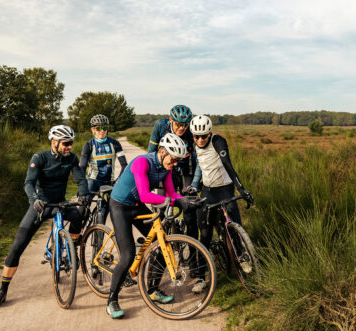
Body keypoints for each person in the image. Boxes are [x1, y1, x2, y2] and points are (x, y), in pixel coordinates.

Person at [0, 125, 90, 307]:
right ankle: (2, 290)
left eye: (71, 143)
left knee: (77, 215)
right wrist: (34, 198)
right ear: (54, 142)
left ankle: (73, 247)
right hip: (40, 205)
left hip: (59, 203)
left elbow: (81, 179)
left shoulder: (72, 158)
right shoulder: (39, 158)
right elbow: (29, 182)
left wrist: (83, 194)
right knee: (17, 246)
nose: (70, 147)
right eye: (66, 143)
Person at [105, 133, 200, 319]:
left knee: (164, 244)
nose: (174, 164)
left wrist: (187, 200)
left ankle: (153, 289)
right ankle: (112, 300)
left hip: (135, 206)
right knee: (128, 254)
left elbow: (172, 193)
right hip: (120, 206)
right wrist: (176, 202)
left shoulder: (166, 167)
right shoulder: (142, 163)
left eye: (177, 162)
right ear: (163, 152)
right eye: (173, 160)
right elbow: (145, 195)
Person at [187, 115, 253, 293]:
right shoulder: (193, 143)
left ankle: (241, 256)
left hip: (225, 188)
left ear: (210, 133)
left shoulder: (218, 141)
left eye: (204, 136)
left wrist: (242, 189)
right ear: (193, 135)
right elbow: (197, 164)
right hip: (208, 191)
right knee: (205, 234)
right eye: (196, 136)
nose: (200, 140)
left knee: (233, 221)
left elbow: (227, 164)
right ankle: (201, 277)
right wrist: (192, 186)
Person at [147, 105, 199, 242]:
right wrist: (150, 178)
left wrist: (196, 183)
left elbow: (198, 158)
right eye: (178, 124)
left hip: (186, 168)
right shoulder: (160, 126)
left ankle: (194, 256)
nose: (182, 128)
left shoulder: (190, 131)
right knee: (161, 209)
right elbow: (151, 152)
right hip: (166, 167)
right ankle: (158, 251)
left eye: (185, 125)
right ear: (170, 120)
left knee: (190, 211)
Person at [78, 114, 128, 224]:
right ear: (93, 130)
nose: (102, 131)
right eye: (98, 128)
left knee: (104, 213)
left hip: (108, 183)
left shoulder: (115, 144)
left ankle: (98, 238)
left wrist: (118, 181)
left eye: (104, 128)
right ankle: (76, 233)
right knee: (82, 207)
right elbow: (82, 167)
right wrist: (81, 187)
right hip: (93, 182)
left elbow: (124, 165)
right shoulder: (88, 145)